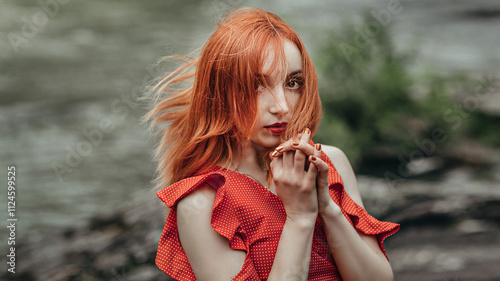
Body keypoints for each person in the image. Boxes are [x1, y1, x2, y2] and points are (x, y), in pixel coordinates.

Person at [145, 7, 400, 281]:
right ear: (221, 92)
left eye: (293, 82)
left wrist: (327, 208)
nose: (281, 107)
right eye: (257, 85)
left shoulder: (331, 162)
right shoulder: (201, 203)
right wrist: (301, 216)